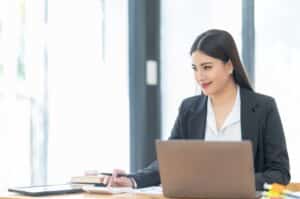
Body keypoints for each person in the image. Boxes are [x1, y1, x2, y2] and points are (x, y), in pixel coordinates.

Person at [103, 29, 290, 190]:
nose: (200, 76)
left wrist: (231, 182)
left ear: (229, 66)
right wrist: (132, 179)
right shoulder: (189, 109)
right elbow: (170, 163)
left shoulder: (264, 108)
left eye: (207, 67)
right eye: (195, 68)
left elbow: (280, 173)